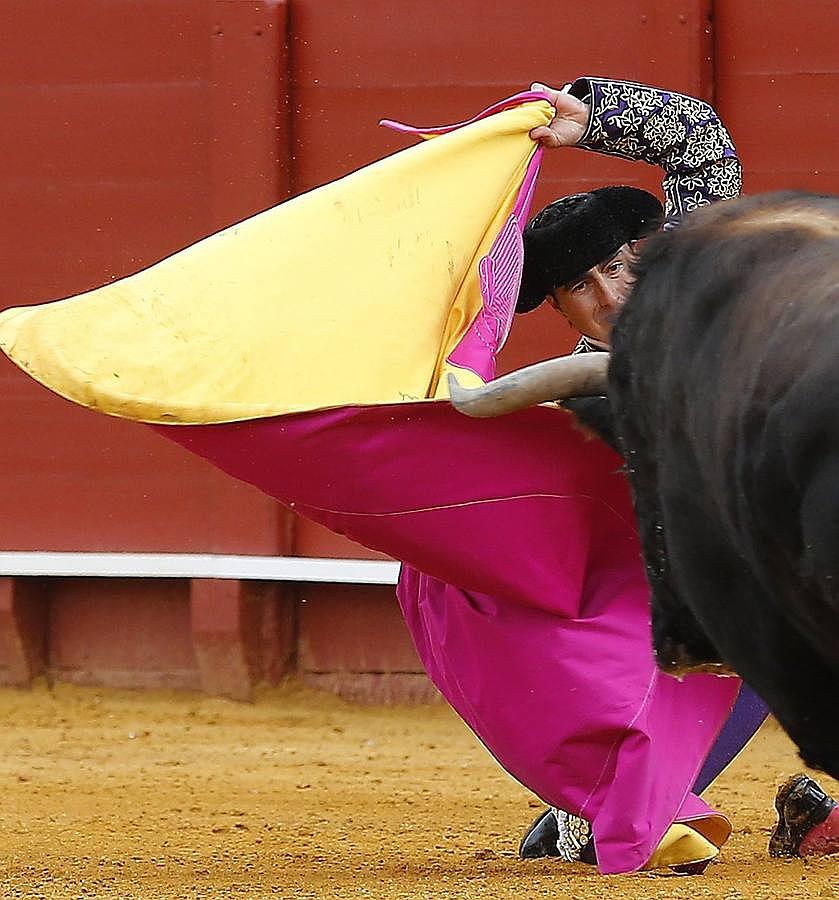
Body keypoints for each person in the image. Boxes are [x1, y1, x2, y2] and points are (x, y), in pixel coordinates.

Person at [512, 76, 839, 864]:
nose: (610, 295)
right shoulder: (568, 406)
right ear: (558, 309)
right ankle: (620, 798)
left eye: (618, 265)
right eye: (579, 287)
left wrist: (592, 117)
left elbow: (696, 141)